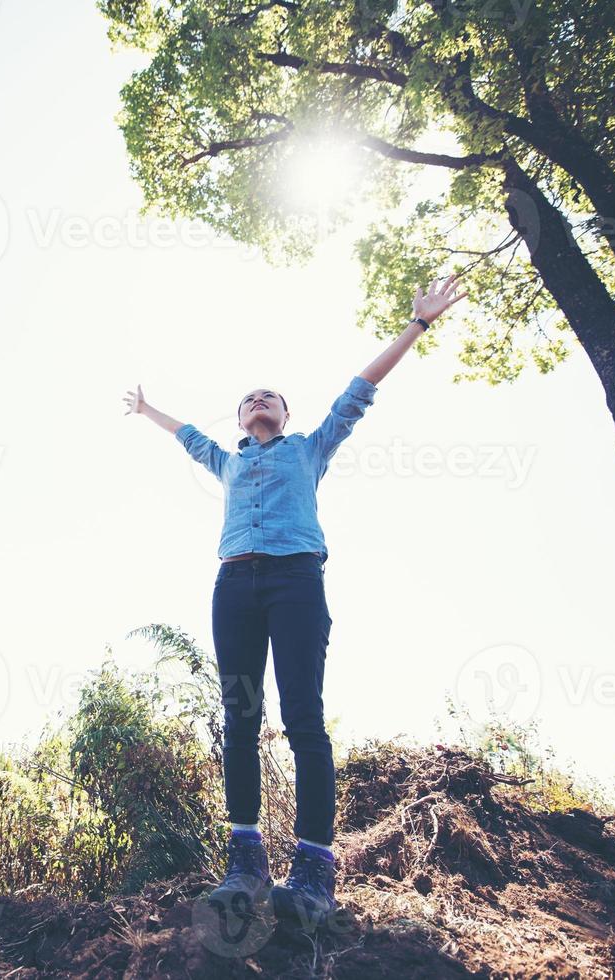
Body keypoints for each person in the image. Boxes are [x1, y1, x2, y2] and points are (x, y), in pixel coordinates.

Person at [121, 276, 465, 924]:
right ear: (241, 419)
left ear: (285, 415)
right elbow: (188, 434)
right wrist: (146, 410)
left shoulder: (310, 449)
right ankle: (244, 861)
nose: (257, 401)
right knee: (239, 719)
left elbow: (358, 391)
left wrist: (416, 324)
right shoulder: (226, 461)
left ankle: (312, 871)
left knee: (303, 717)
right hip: (234, 586)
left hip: (295, 581)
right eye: (248, 397)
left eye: (269, 398)